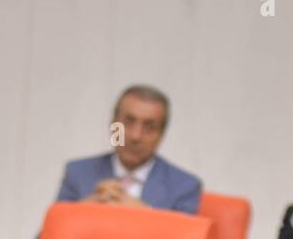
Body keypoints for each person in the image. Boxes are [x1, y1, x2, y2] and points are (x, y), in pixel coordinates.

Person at [53, 85, 201, 214]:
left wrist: (146, 214)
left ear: (161, 134)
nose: (135, 136)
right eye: (128, 122)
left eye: (149, 128)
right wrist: (81, 211)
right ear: (113, 125)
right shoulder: (78, 172)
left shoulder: (184, 186)